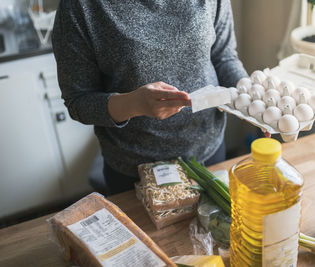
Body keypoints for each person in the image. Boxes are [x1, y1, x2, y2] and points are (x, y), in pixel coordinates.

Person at [52, 0, 248, 195]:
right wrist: (134, 104)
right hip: (134, 169)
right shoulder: (80, 6)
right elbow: (78, 101)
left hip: (208, 149)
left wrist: (251, 93)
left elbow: (224, 56)